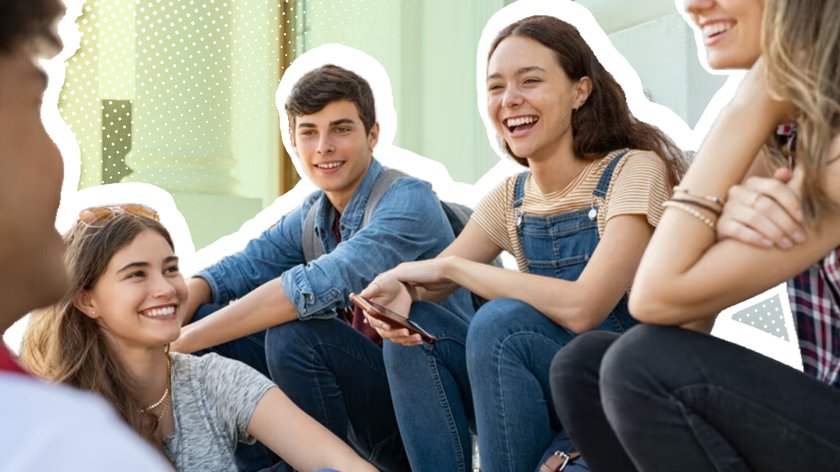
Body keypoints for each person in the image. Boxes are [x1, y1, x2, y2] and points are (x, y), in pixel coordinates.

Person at [358, 15, 686, 471]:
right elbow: (429, 284)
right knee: (412, 335)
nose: (510, 100)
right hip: (533, 396)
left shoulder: (632, 172)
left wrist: (453, 270)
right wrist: (399, 295)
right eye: (496, 87)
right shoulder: (510, 198)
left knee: (504, 323)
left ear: (580, 91)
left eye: (530, 81)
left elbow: (584, 308)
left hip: (616, 396)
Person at [550, 0, 840, 470]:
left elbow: (655, 298)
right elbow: (680, 326)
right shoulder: (788, 133)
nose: (693, 5)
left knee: (639, 365)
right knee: (585, 366)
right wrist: (718, 216)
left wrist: (753, 97)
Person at [171, 64, 473, 471]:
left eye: (341, 129)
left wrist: (177, 345)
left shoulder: (407, 202)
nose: (323, 146)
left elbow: (309, 288)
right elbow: (231, 273)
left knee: (295, 336)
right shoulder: (315, 214)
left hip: (418, 414)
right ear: (293, 141)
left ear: (373, 134)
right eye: (309, 132)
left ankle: (309, 464)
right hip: (359, 408)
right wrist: (169, 327)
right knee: (213, 324)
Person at [21, 205, 376, 472]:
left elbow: (341, 463)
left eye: (170, 269)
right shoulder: (60, 410)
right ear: (88, 300)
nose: (165, 289)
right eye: (136, 275)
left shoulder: (212, 379)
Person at [0, 1, 173, 470]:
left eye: (170, 268)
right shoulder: (59, 445)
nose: (62, 157)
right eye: (35, 104)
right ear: (86, 299)